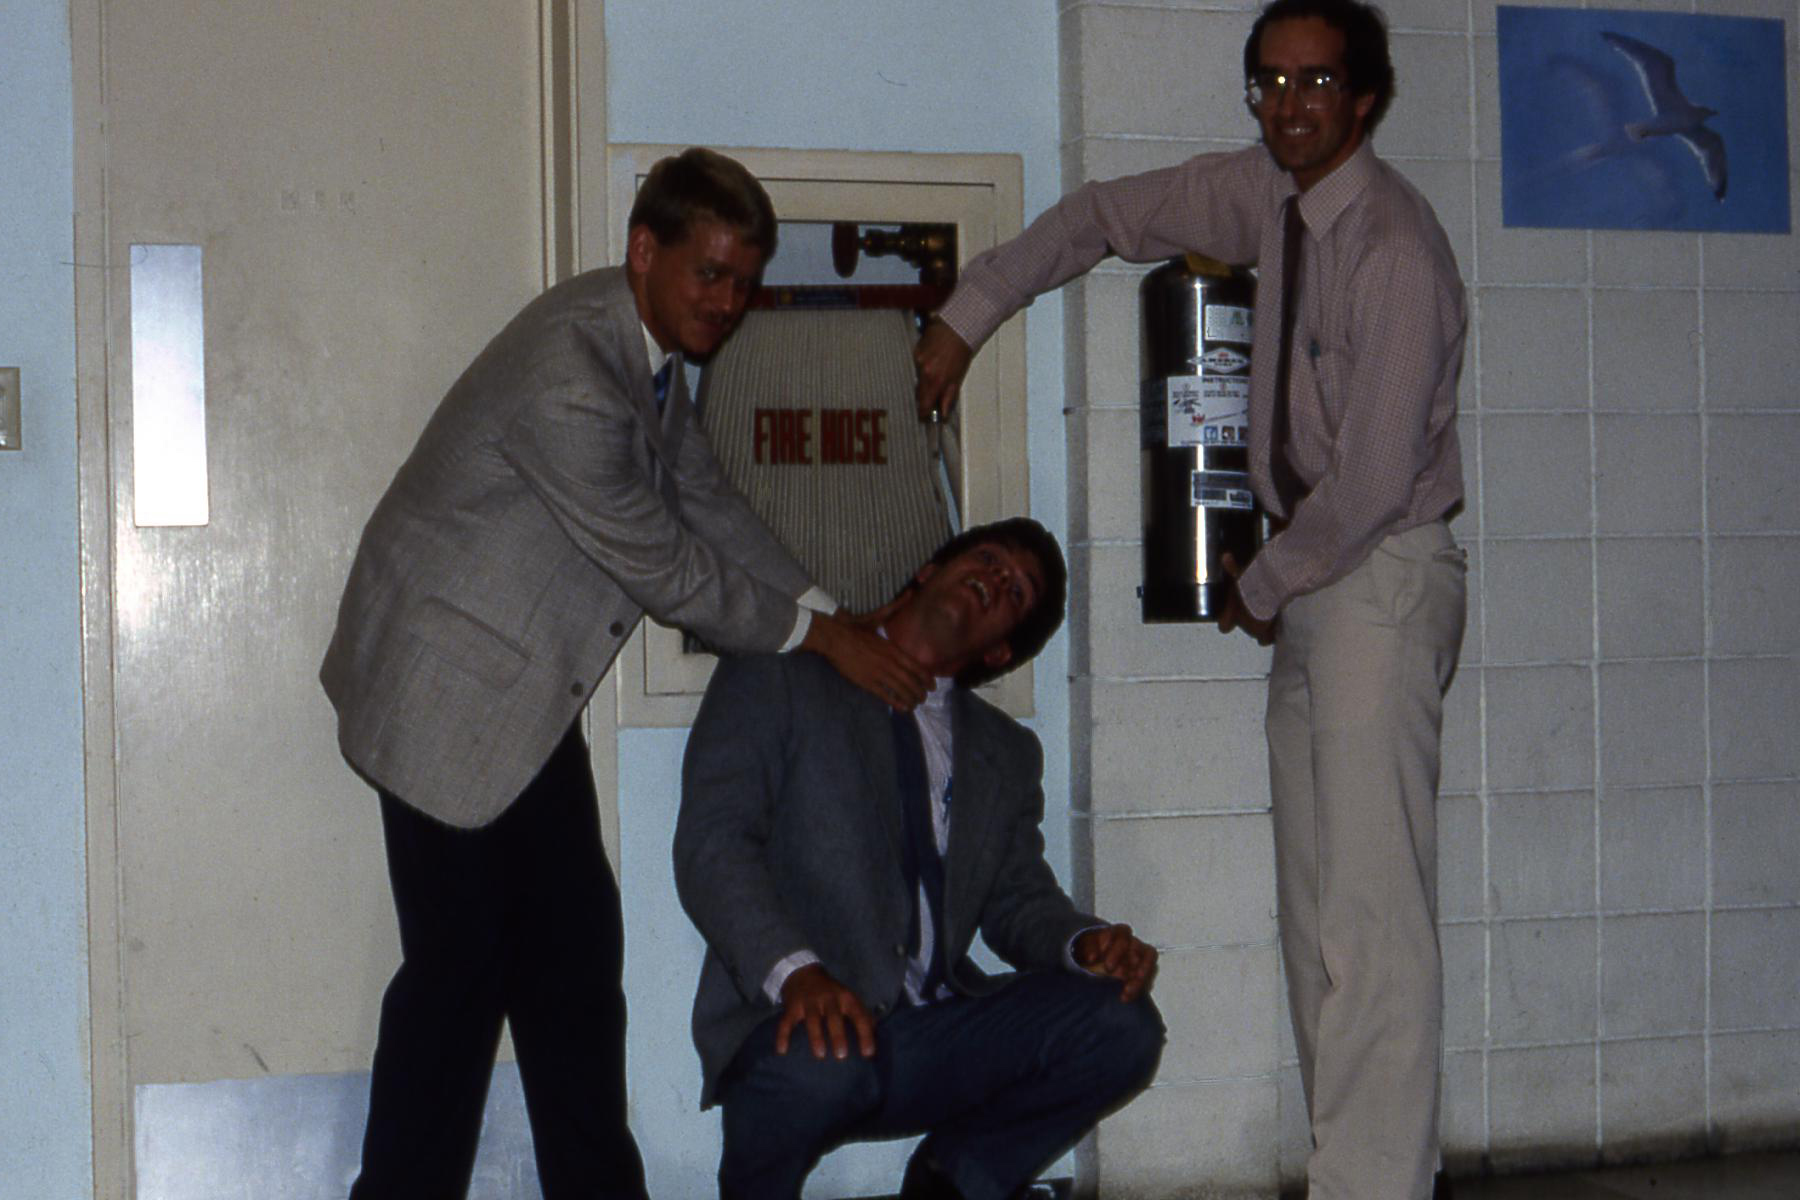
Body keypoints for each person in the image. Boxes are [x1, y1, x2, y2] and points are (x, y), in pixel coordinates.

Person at [911, 3, 1468, 1197]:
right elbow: (1103, 218)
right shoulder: (1264, 195)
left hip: (1375, 574)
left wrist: (1262, 581)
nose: (1288, 104)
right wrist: (969, 311)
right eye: (1269, 81)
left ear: (1366, 97)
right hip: (1318, 582)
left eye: (1315, 81)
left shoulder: (1394, 250)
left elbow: (1373, 478)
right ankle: (1358, 1176)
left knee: (1371, 920)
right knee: (1319, 914)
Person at [320, 146, 933, 1200]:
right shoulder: (572, 375)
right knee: (458, 983)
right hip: (446, 697)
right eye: (710, 274)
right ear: (645, 250)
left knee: (571, 966)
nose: (727, 303)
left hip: (518, 695)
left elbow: (703, 495)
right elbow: (667, 567)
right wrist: (818, 640)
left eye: (744, 282)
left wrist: (830, 609)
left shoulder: (641, 346)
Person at [676, 518, 1165, 1200]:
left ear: (999, 651)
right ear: (927, 572)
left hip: (936, 1032)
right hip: (795, 1023)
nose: (995, 577)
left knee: (1123, 1024)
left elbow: (1018, 902)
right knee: (823, 1057)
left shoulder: (1005, 753)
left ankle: (954, 1180)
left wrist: (1085, 945)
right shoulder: (778, 671)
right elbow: (713, 845)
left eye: (1016, 592)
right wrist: (797, 974)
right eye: (987, 558)